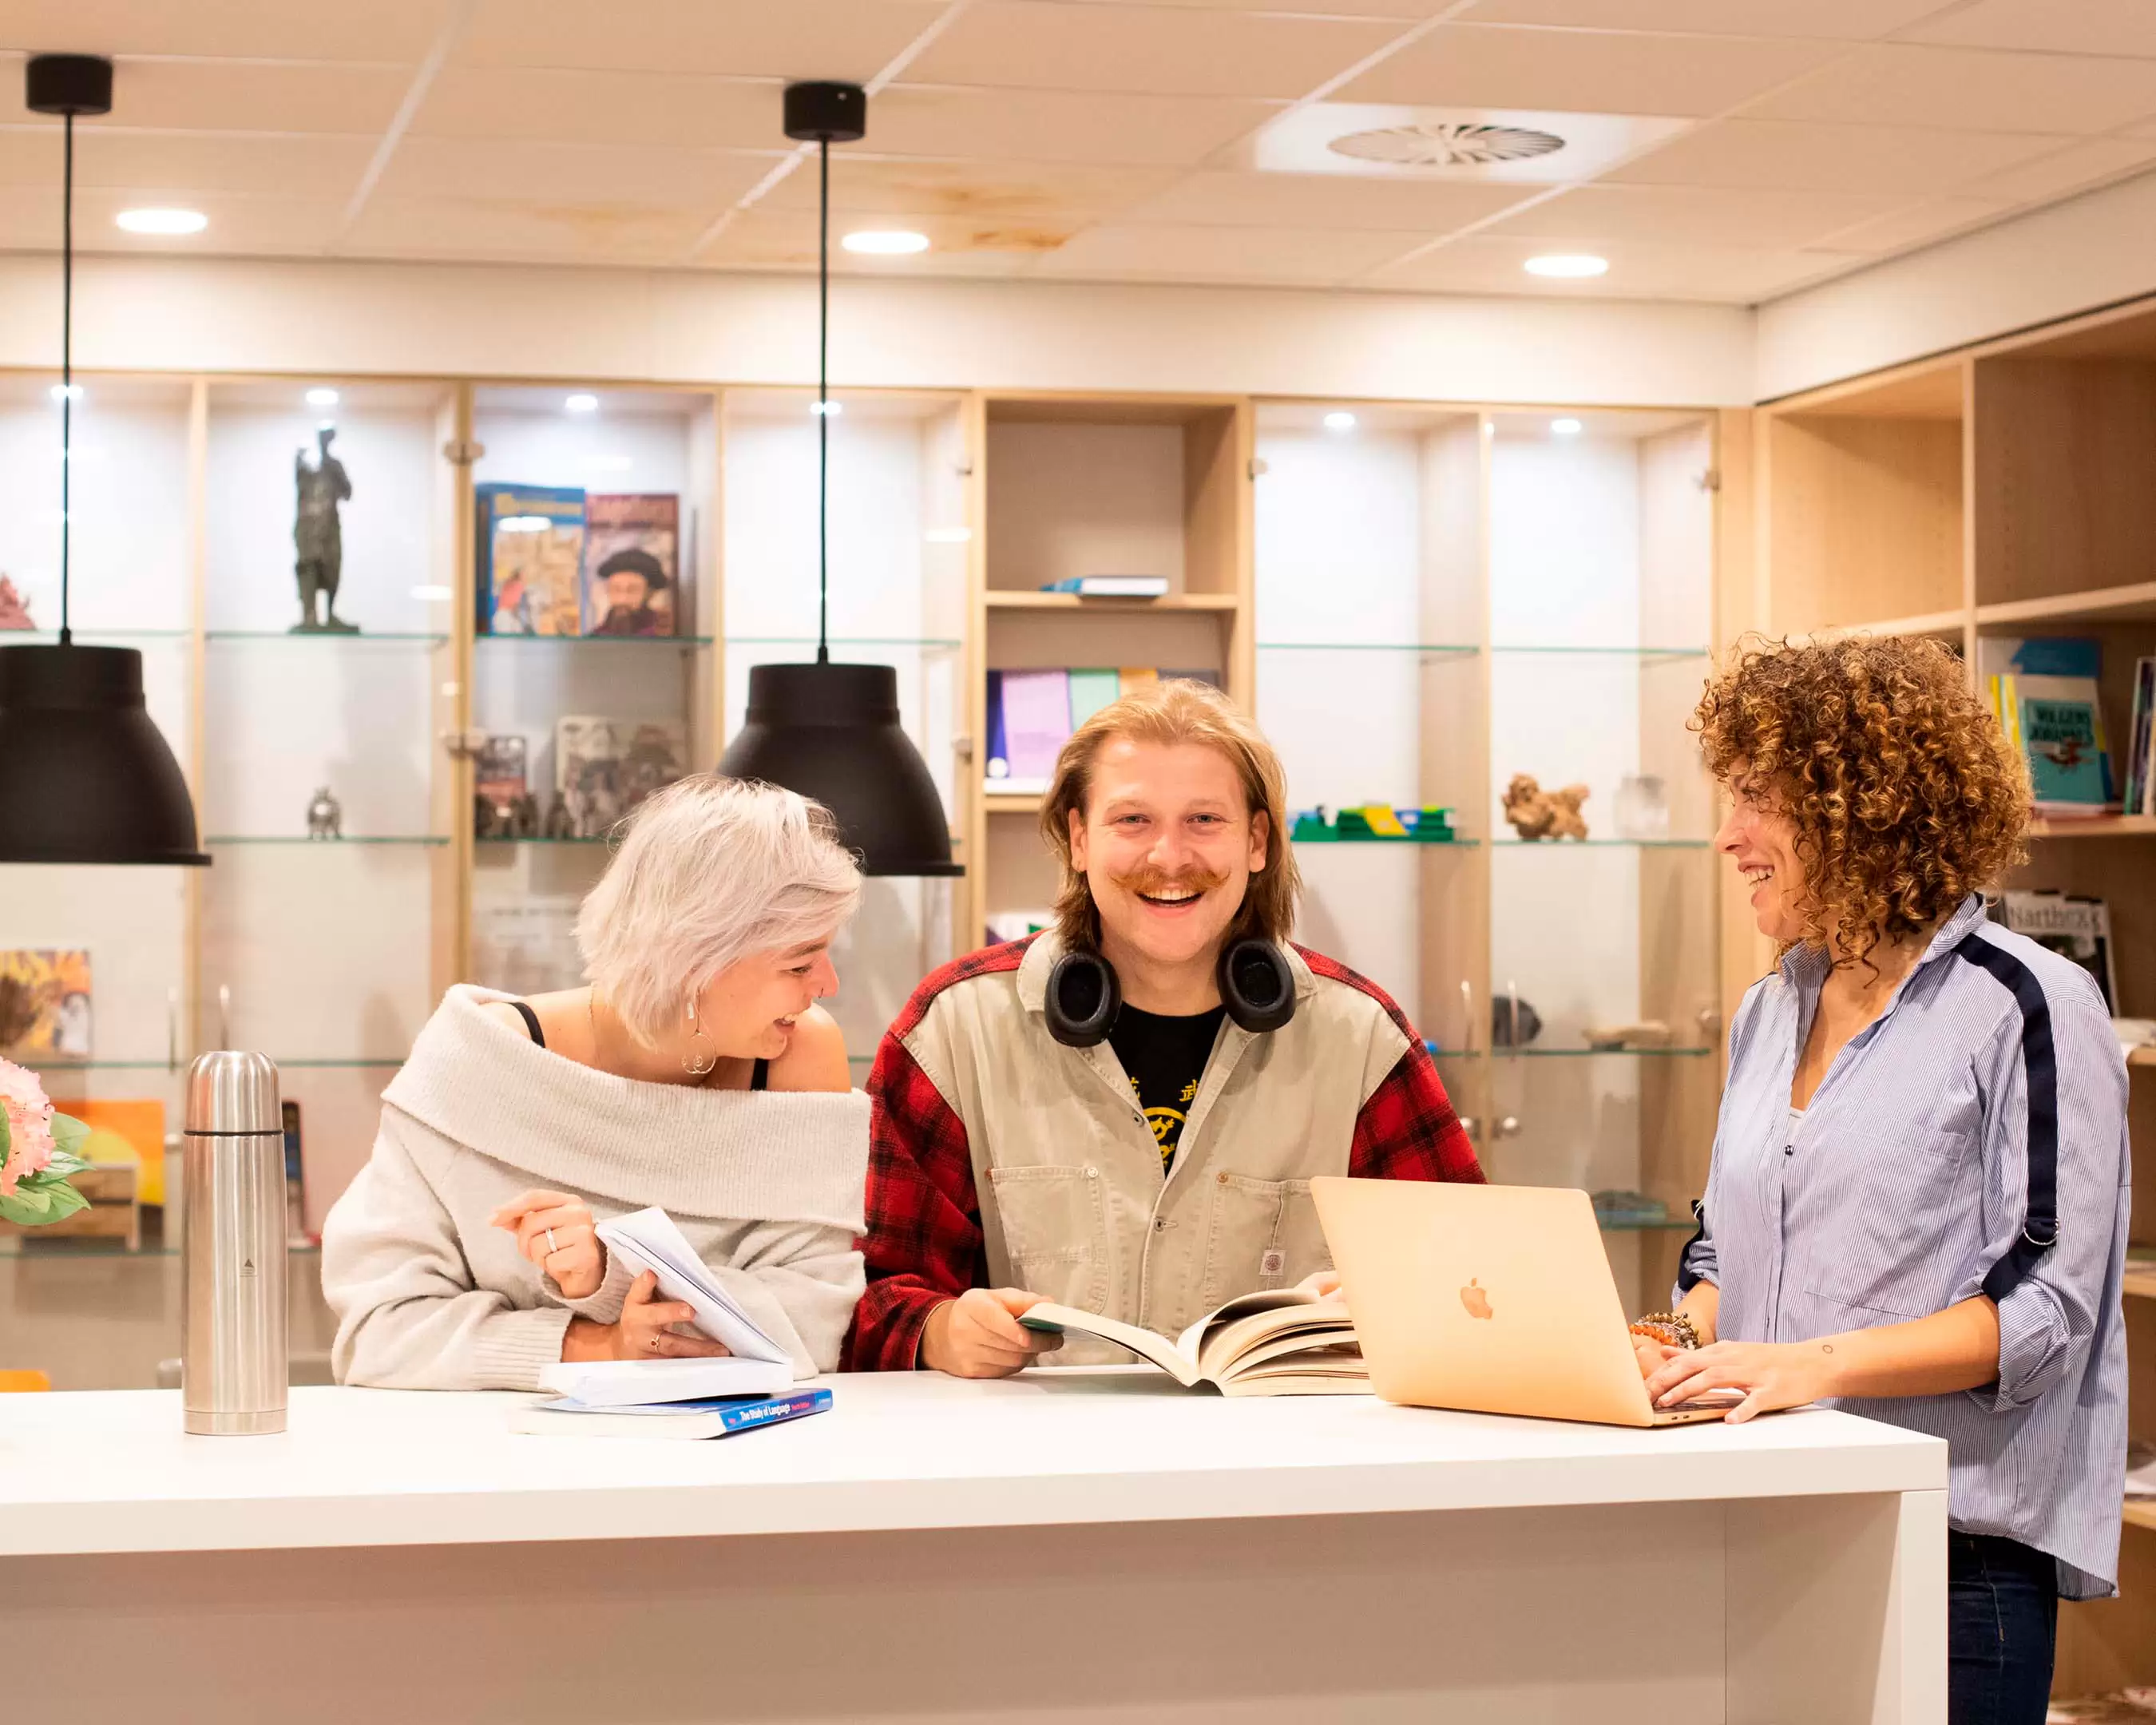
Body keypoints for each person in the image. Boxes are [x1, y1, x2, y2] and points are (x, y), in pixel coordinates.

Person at [1634, 636, 2129, 1724]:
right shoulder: (1770, 1010)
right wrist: (1676, 1345)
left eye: (1758, 799)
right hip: (1761, 1512)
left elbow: (2044, 1316)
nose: (1729, 836)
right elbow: (1725, 1250)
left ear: (1860, 808)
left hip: (1954, 1559)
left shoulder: (2031, 1005)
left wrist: (1809, 1367)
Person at [846, 679, 1484, 1377]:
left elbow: (1477, 1287)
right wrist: (936, 1328)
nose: (1171, 858)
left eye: (1205, 820)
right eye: (1133, 821)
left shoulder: (1361, 1038)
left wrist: (1386, 1309)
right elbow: (862, 1292)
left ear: (1258, 841)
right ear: (1079, 838)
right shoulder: (954, 1030)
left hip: (1291, 1470)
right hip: (1038, 1471)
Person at [322, 775, 871, 1390]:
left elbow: (819, 1320)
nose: (826, 984)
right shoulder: (480, 1066)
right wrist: (594, 1346)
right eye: (799, 962)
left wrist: (614, 1277)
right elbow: (382, 1335)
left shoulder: (798, 1056)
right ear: (697, 960)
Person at [589, 548, 671, 637]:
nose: (622, 599)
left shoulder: (661, 633)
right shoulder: (597, 635)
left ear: (650, 594)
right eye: (616, 590)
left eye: (632, 591)